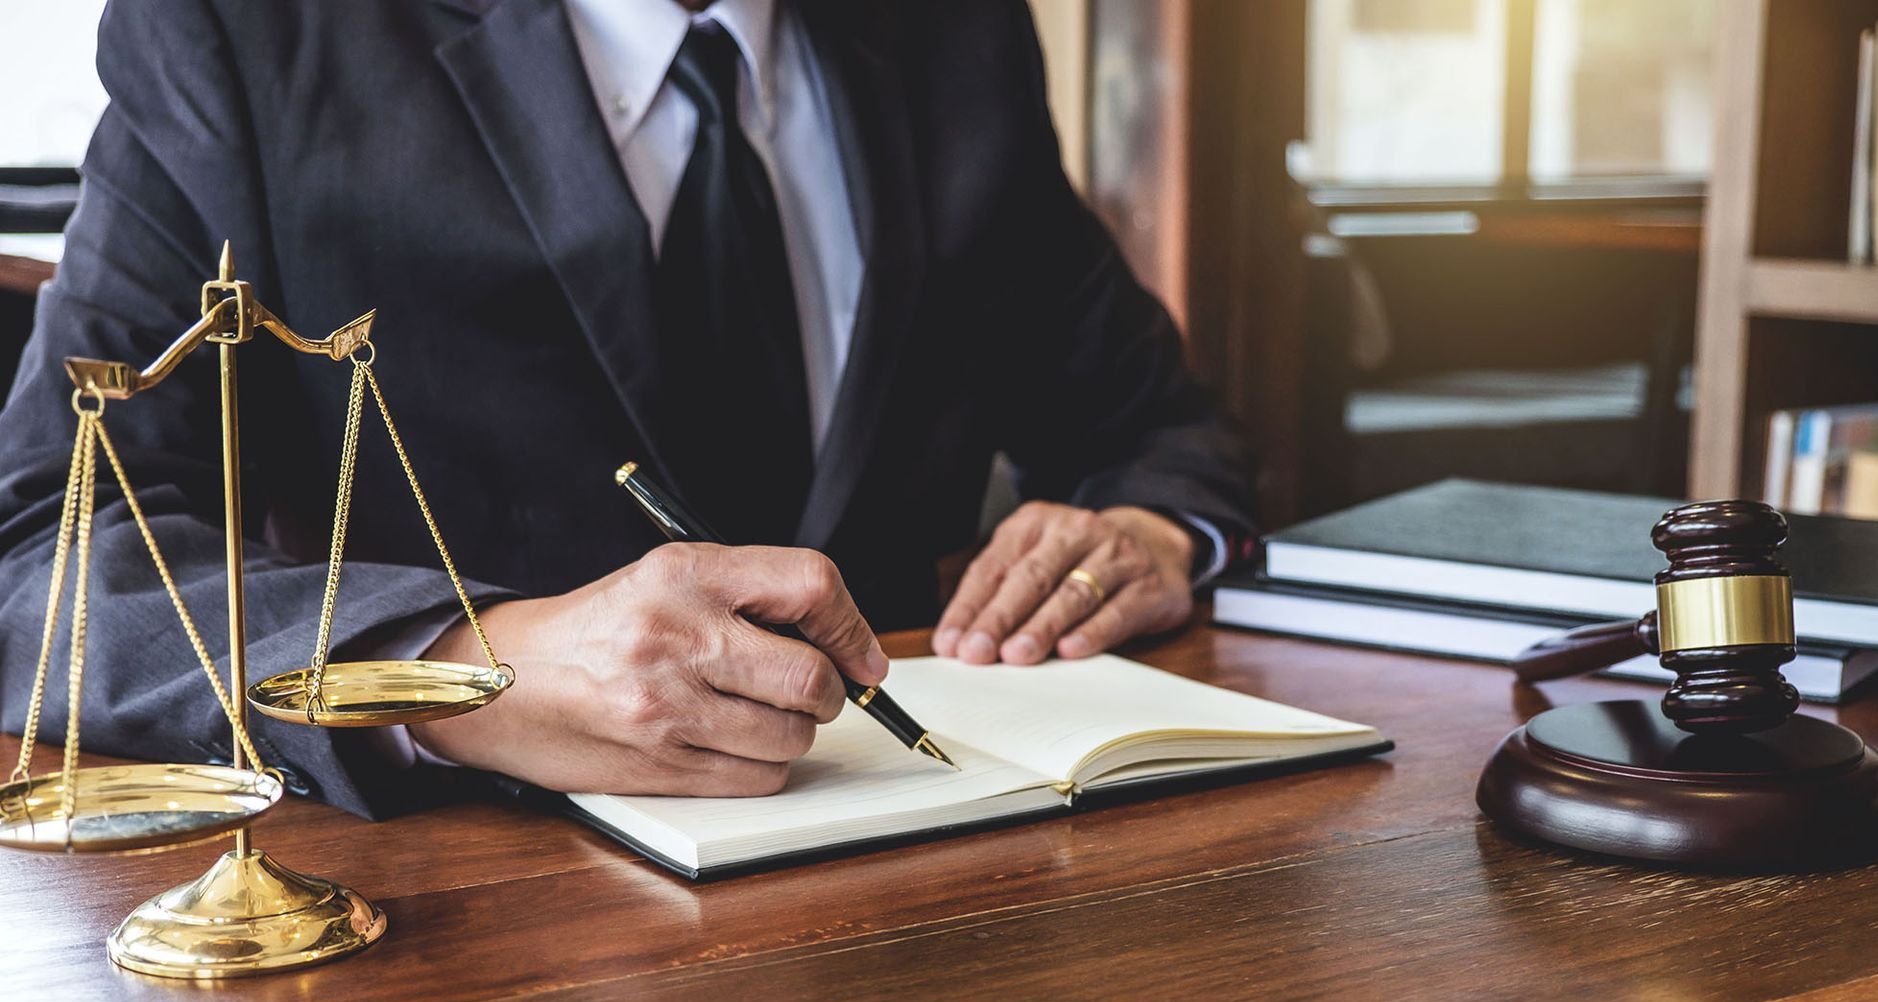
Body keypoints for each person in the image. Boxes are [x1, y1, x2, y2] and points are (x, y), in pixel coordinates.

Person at [0, 0, 1255, 815]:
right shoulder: (244, 33)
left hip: (936, 882)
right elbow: (37, 561)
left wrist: (1148, 531)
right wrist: (464, 669)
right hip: (469, 961)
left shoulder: (954, 36)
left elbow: (1162, 431)